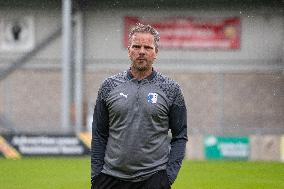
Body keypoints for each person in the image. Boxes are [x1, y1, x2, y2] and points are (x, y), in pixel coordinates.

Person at [91, 23, 188, 189]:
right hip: (110, 177)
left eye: (147, 47)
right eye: (136, 46)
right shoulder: (109, 86)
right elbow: (99, 134)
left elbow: (180, 136)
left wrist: (168, 176)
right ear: (129, 50)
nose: (141, 51)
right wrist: (96, 176)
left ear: (155, 52)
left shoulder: (171, 89)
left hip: (154, 178)